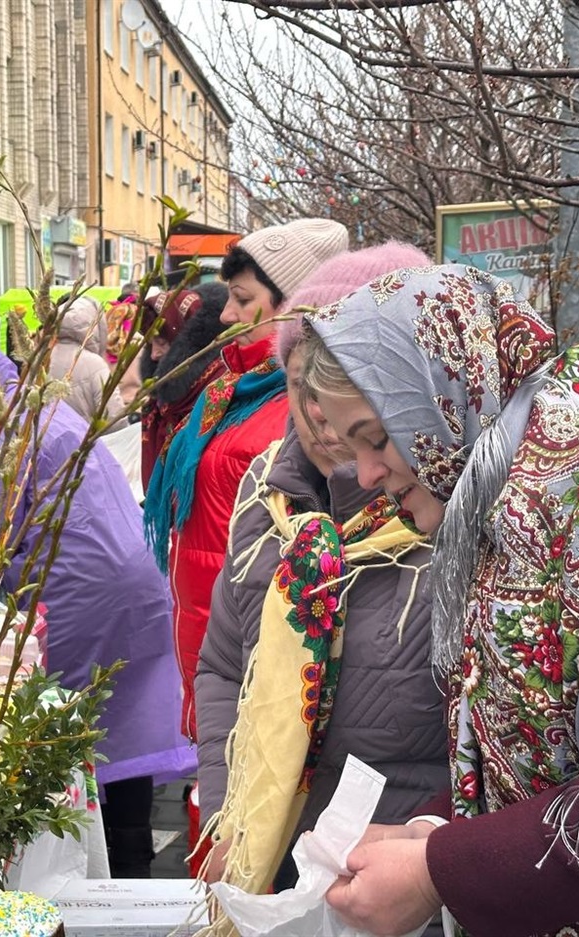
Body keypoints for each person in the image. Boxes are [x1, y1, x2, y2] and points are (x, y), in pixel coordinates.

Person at [297, 264, 579, 937]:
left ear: (441, 394)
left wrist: (441, 869)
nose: (369, 475)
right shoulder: (500, 490)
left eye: (376, 439)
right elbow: (534, 752)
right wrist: (432, 832)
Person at [194, 242, 446, 894]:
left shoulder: (444, 517)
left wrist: (433, 853)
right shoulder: (263, 499)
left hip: (402, 884)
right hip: (276, 867)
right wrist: (231, 816)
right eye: (301, 381)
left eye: (346, 387)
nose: (320, 415)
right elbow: (223, 665)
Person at [0, 322, 196, 879]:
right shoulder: (48, 403)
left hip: (72, 593)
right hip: (138, 581)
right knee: (126, 721)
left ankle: (78, 875)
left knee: (65, 729)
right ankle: (134, 875)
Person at [145, 218, 349, 740]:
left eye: (241, 298)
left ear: (291, 305)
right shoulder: (234, 392)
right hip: (217, 644)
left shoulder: (301, 407)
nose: (227, 314)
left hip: (256, 659)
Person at [139, 284, 229, 488]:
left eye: (162, 343)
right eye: (150, 344)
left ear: (184, 343)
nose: (154, 354)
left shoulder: (217, 387)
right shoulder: (162, 403)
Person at [47, 295, 128, 431]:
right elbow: (113, 418)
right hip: (85, 446)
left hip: (46, 444)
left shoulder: (43, 359)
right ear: (95, 326)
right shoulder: (94, 363)